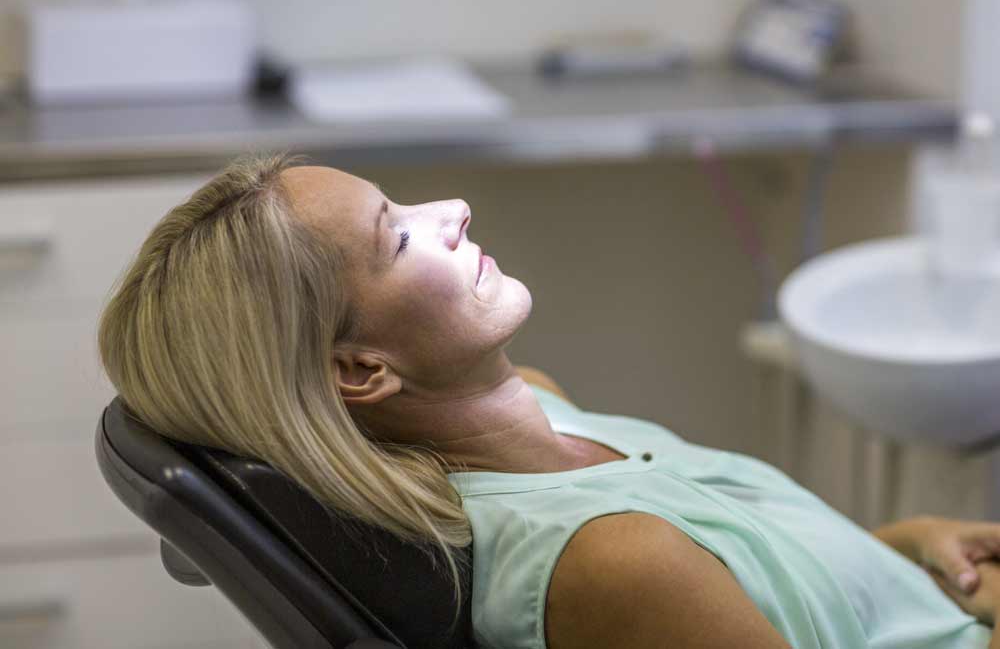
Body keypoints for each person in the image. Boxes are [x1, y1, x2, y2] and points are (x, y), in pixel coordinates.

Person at [98, 154, 998, 648]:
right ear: (361, 370)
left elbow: (752, 595)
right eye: (399, 235)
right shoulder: (612, 562)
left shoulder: (544, 408)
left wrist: (907, 551)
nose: (452, 205)